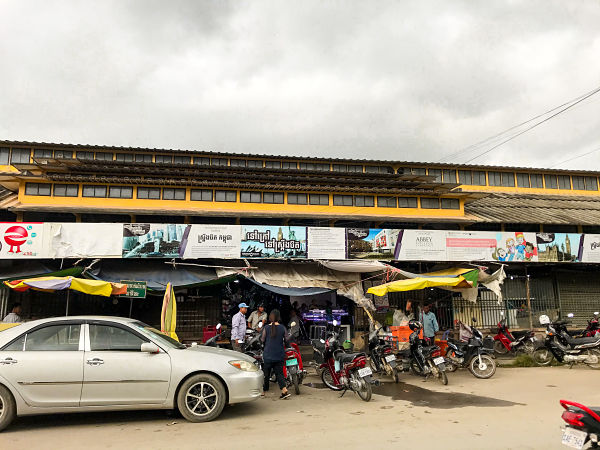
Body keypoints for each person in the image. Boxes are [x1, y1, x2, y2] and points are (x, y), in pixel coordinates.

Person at [261, 309, 291, 399]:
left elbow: (262, 340)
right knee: (279, 374)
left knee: (266, 374)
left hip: (268, 354)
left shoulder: (266, 328)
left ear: (270, 317)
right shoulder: (282, 328)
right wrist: (287, 346)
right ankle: (284, 389)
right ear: (279, 317)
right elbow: (287, 340)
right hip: (279, 354)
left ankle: (263, 391)